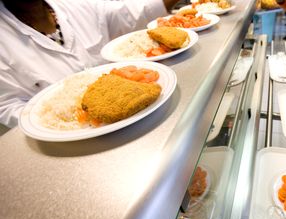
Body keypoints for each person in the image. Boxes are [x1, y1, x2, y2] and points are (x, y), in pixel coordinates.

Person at [0, 0, 179, 128]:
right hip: (67, 143)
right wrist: (56, 121)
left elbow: (131, 13)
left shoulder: (76, 5)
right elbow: (7, 106)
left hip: (140, 118)